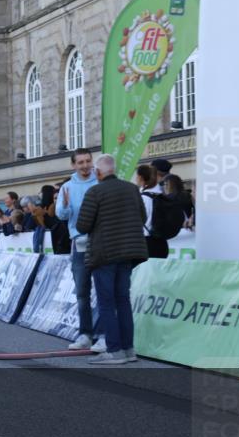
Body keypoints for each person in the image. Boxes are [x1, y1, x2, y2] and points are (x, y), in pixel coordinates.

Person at [76, 154, 148, 364]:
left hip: (104, 253)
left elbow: (82, 225)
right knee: (123, 301)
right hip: (128, 253)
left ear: (98, 172)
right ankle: (128, 349)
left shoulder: (95, 191)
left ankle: (114, 350)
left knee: (107, 303)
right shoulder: (132, 189)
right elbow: (142, 218)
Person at [56, 148, 105, 353]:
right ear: (73, 165)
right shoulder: (67, 187)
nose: (85, 166)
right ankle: (85, 334)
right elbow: (61, 215)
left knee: (104, 291)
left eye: (88, 161)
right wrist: (66, 206)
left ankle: (103, 335)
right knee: (82, 293)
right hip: (79, 244)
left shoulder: (100, 182)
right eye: (80, 162)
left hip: (101, 243)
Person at [135, 164, 168, 259]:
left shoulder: (143, 198)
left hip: (147, 243)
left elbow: (139, 221)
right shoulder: (161, 195)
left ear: (140, 177)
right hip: (162, 242)